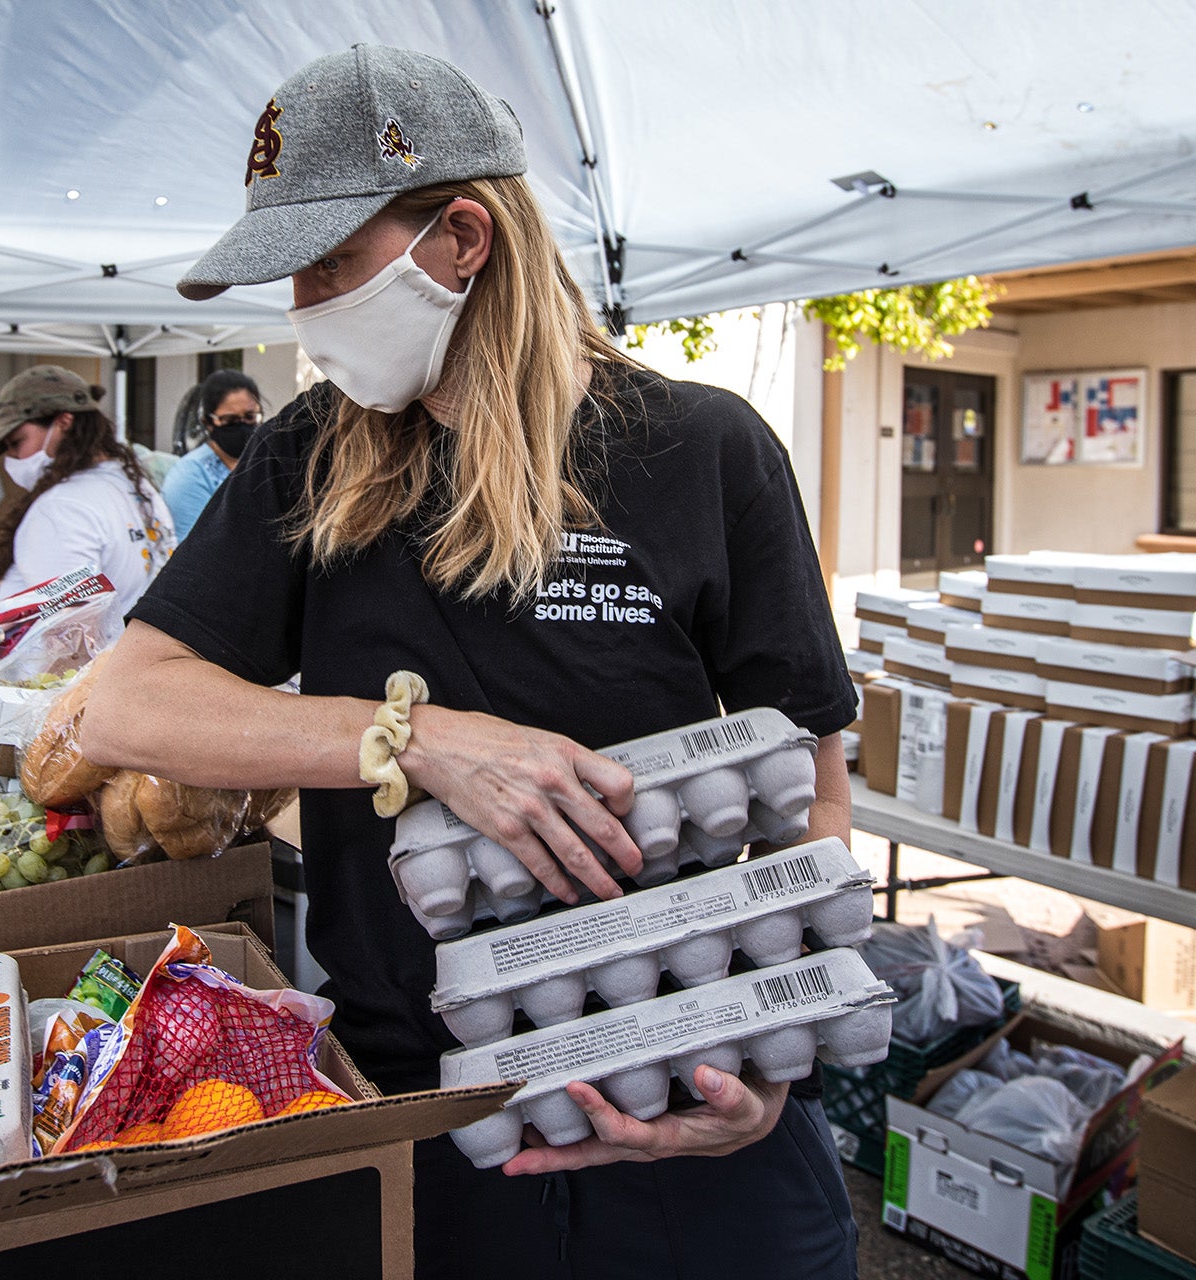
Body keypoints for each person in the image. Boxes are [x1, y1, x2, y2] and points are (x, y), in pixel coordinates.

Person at [83, 46, 858, 1279]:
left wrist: (765, 1059)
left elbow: (811, 795)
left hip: (691, 1108)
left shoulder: (700, 447)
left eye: (331, 262)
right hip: (429, 1108)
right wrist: (421, 739)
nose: (302, 305)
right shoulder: (312, 459)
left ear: (462, 237)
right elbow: (122, 704)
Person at [0, 365, 175, 629]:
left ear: (63, 423)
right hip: (132, 659)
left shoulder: (61, 508)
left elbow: (70, 634)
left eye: (16, 442)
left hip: (77, 669)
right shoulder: (136, 486)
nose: (13, 459)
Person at [162, 368, 263, 539]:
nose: (242, 425)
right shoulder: (190, 475)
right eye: (230, 420)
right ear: (208, 422)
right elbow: (190, 548)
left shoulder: (262, 463)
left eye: (250, 416)